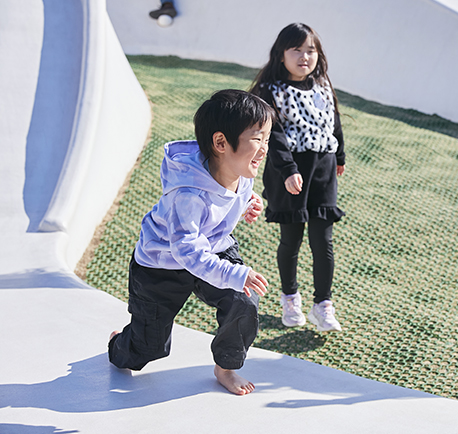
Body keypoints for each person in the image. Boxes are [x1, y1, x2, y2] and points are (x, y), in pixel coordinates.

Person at [108, 89, 275, 395]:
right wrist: (235, 273)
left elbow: (232, 196)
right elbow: (188, 252)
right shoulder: (187, 194)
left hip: (213, 247)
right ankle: (123, 342)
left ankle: (226, 368)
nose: (264, 148)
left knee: (243, 300)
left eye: (266, 139)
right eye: (257, 139)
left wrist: (248, 202)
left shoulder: (241, 170)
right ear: (221, 142)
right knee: (145, 351)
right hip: (162, 265)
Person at [250, 23, 345, 333]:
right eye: (297, 50)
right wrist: (289, 170)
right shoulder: (271, 90)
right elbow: (273, 136)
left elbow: (334, 121)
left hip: (323, 169)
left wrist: (339, 156)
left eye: (311, 50)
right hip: (288, 170)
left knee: (323, 240)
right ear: (281, 54)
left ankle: (323, 305)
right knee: (291, 240)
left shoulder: (323, 84)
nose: (305, 56)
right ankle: (290, 297)